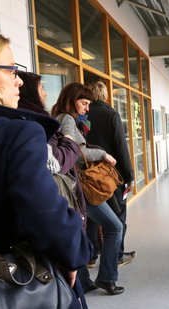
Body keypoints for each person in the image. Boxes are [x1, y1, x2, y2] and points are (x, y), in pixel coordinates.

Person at [0, 26, 105, 309]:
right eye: (11, 70)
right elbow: (44, 211)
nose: (19, 81)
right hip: (16, 302)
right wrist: (73, 255)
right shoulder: (15, 132)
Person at [51, 83, 125, 295]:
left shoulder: (56, 118)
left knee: (80, 231)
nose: (86, 108)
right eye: (83, 103)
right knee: (114, 227)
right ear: (71, 100)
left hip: (70, 186)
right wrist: (102, 154)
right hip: (81, 187)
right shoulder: (66, 119)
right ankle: (107, 278)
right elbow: (72, 151)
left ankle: (83, 280)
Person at [17, 71, 85, 221]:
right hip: (56, 204)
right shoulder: (36, 123)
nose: (46, 94)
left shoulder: (38, 118)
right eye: (41, 89)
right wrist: (69, 140)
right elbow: (56, 162)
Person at [86, 81, 136, 266]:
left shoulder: (83, 115)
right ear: (105, 95)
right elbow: (120, 147)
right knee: (117, 214)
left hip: (88, 175)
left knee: (92, 216)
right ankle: (117, 255)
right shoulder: (111, 114)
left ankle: (90, 257)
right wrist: (129, 175)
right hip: (110, 175)